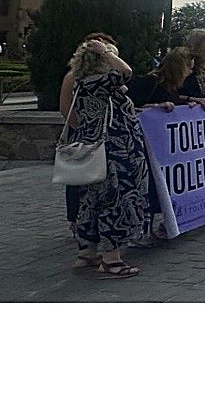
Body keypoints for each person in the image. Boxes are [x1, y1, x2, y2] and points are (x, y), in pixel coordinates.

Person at [67, 37, 149, 278]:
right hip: (114, 153)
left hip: (97, 151)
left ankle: (87, 253)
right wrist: (106, 52)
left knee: (92, 202)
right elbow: (126, 71)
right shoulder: (99, 83)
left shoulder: (84, 83)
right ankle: (112, 259)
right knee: (115, 202)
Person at [127, 46, 203, 245]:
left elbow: (173, 100)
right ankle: (141, 231)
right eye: (188, 68)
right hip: (145, 144)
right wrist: (155, 108)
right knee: (147, 186)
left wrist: (188, 102)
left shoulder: (171, 86)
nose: (189, 73)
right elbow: (130, 106)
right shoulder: (151, 81)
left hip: (163, 147)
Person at [58, 31, 120, 245]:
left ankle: (93, 224)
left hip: (101, 135)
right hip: (85, 133)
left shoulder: (107, 77)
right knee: (78, 176)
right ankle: (76, 220)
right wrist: (84, 130)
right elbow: (66, 107)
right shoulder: (73, 76)